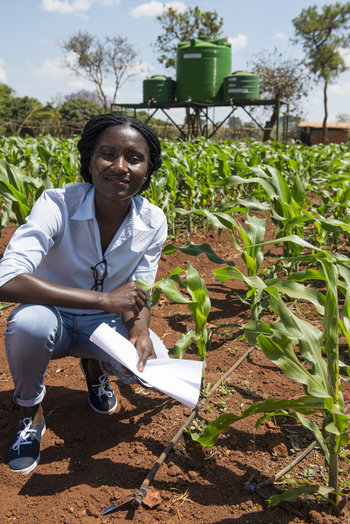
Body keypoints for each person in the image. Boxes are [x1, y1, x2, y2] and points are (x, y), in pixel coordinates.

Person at [0, 113, 168, 475]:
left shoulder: (153, 221)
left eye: (134, 158)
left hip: (102, 327)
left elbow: (138, 293)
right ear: (89, 161)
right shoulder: (56, 203)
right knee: (27, 324)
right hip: (52, 318)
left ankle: (95, 370)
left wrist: (138, 334)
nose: (120, 166)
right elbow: (6, 280)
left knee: (151, 362)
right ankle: (31, 414)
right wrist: (104, 300)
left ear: (148, 169)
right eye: (107, 154)